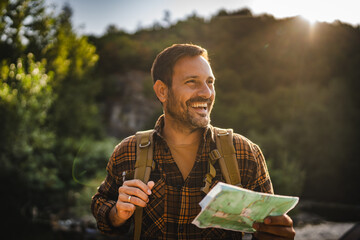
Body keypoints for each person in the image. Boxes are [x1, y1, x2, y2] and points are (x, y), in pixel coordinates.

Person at [91, 43, 296, 239]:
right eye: (192, 82)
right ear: (162, 91)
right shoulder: (129, 151)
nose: (207, 93)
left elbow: (269, 228)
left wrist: (276, 233)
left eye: (210, 82)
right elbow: (101, 206)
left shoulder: (245, 152)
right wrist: (117, 214)